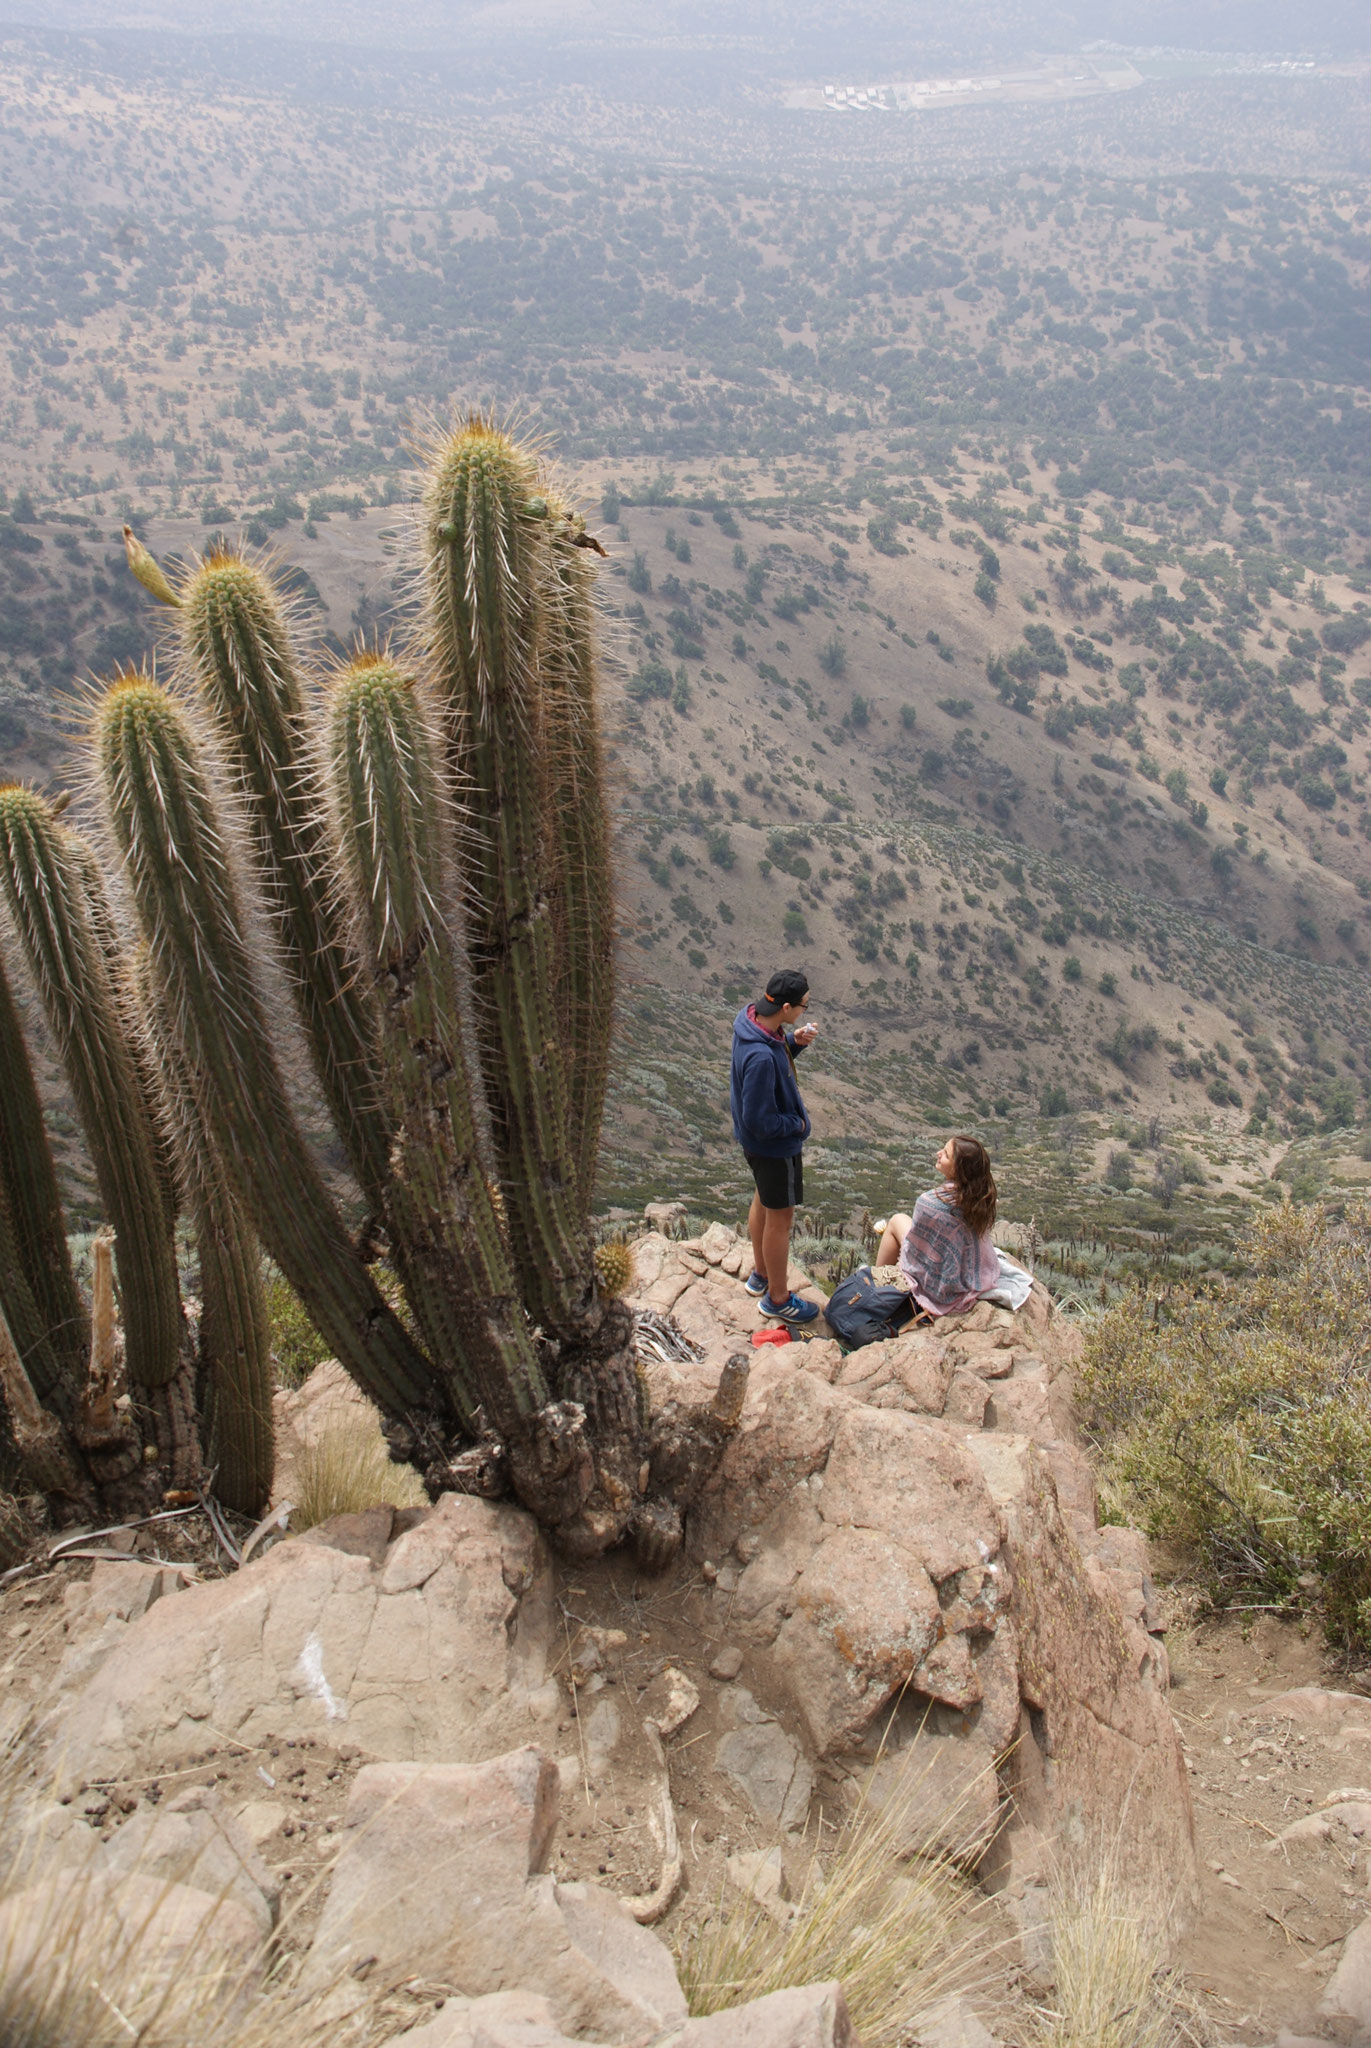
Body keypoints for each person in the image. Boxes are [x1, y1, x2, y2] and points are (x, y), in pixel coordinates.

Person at [730, 969, 820, 1326]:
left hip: (755, 1148)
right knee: (780, 1219)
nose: (803, 1011)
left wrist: (792, 1043)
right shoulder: (762, 1057)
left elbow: (771, 1057)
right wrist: (795, 1125)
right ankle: (778, 1299)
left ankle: (761, 1274)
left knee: (762, 1201)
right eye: (802, 1006)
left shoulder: (753, 1024)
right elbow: (760, 1120)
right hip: (773, 1147)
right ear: (785, 1006)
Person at [874, 1135, 1000, 1320]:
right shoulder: (982, 1199)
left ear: (959, 1169)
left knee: (896, 1221)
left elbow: (915, 1253)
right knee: (901, 1222)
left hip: (939, 1284)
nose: (938, 1153)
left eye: (946, 1154)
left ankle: (878, 1283)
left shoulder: (930, 1204)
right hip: (970, 1276)